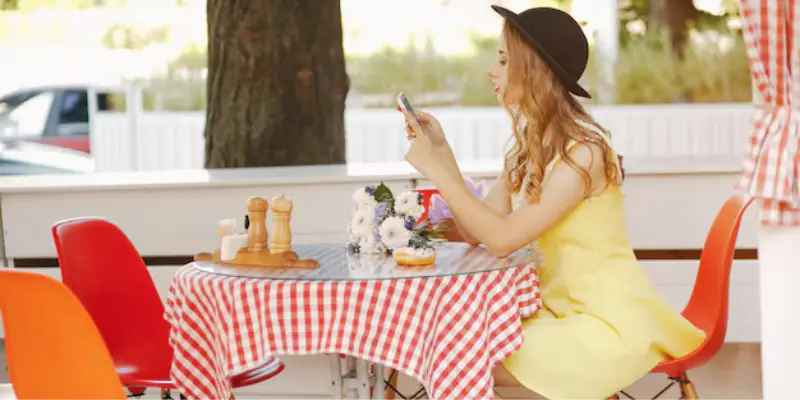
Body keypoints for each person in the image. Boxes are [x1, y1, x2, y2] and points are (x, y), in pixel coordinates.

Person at [398, 5, 707, 399]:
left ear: (536, 69)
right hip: (558, 317)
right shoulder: (530, 146)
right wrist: (442, 155)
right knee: (452, 346)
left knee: (463, 357)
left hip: (607, 323)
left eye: (504, 59)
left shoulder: (584, 153)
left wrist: (438, 174)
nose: (492, 70)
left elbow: (502, 239)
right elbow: (480, 230)